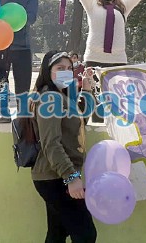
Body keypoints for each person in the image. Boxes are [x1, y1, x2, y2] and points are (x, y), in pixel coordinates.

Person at [31, 50, 97, 243]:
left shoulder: (61, 96)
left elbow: (80, 120)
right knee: (85, 234)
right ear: (47, 71)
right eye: (60, 68)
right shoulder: (50, 98)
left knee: (57, 234)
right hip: (55, 177)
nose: (66, 72)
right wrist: (71, 177)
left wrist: (86, 90)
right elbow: (51, 143)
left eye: (69, 68)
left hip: (57, 175)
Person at [6, 0, 39, 105]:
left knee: (23, 88)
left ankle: (23, 117)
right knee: (0, 84)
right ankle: (1, 111)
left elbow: (31, 18)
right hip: (2, 46)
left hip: (22, 47)